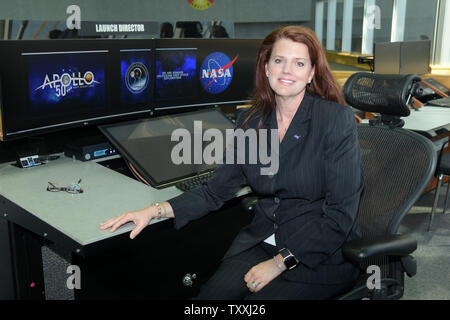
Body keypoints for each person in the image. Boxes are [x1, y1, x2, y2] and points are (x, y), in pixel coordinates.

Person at [100, 25, 364, 300]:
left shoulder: (334, 120)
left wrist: (278, 263)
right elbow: (217, 190)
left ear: (311, 73)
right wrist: (155, 211)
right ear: (266, 68)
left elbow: (339, 214)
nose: (287, 70)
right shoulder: (252, 121)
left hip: (319, 254)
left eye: (298, 63)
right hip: (263, 240)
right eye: (279, 60)